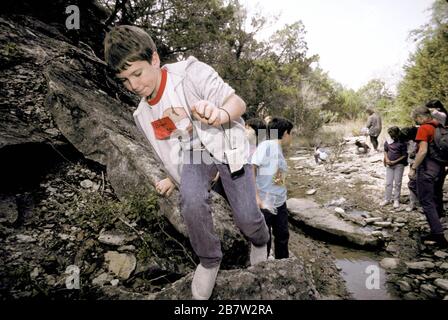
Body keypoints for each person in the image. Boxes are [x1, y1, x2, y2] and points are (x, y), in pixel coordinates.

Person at [104, 25, 269, 300]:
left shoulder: (190, 73)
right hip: (195, 155)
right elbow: (169, 149)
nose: (134, 86)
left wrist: (220, 112)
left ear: (154, 59)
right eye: (124, 80)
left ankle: (261, 241)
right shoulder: (143, 114)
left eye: (137, 73)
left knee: (247, 218)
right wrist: (173, 176)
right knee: (191, 200)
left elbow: (236, 101)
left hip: (228, 144)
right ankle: (209, 260)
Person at [251, 117, 293, 260]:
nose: (291, 137)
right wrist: (256, 197)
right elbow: (252, 167)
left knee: (282, 235)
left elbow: (277, 177)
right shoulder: (267, 145)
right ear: (286, 133)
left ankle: (283, 265)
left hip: (279, 201)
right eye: (291, 134)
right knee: (265, 237)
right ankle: (263, 268)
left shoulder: (278, 150)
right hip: (265, 201)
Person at [409, 106, 448, 248]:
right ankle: (438, 224)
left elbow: (423, 151)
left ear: (420, 117)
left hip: (427, 169)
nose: (416, 122)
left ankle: (438, 235)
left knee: (426, 201)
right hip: (440, 169)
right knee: (434, 197)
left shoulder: (424, 128)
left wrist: (413, 168)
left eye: (416, 119)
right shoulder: (440, 126)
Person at [380, 127, 408, 209]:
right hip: (389, 164)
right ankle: (387, 199)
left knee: (397, 183)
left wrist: (394, 161)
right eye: (390, 134)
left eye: (393, 134)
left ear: (397, 133)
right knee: (388, 183)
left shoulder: (402, 142)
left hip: (399, 165)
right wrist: (386, 159)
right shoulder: (388, 141)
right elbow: (385, 150)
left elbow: (404, 155)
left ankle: (396, 200)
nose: (392, 136)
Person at [400, 126, 419, 212]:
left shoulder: (419, 140)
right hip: (413, 164)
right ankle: (413, 202)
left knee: (414, 183)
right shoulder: (410, 141)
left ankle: (416, 203)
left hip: (419, 165)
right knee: (412, 183)